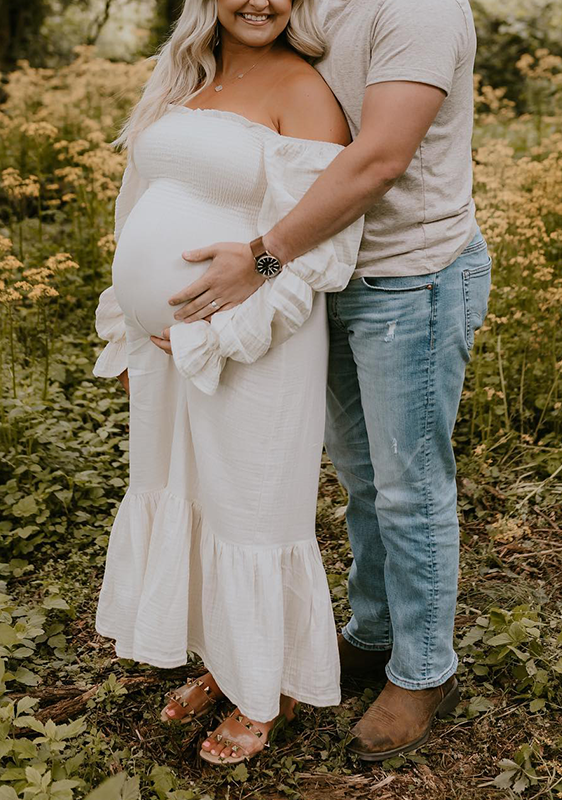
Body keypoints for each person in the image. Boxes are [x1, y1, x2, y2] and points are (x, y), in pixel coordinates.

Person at [166, 0, 491, 761]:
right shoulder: (304, 1)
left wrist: (265, 256)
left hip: (407, 280)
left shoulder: (420, 10)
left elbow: (381, 157)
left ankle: (423, 671)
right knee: (360, 478)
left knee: (409, 487)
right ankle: (373, 636)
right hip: (325, 278)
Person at [92, 0, 364, 767]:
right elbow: (136, 207)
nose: (260, 1)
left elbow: (320, 244)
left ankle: (261, 693)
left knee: (251, 510)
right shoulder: (182, 78)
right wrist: (127, 328)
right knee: (195, 495)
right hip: (167, 345)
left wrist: (218, 336)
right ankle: (228, 659)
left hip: (250, 344)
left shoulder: (303, 90)